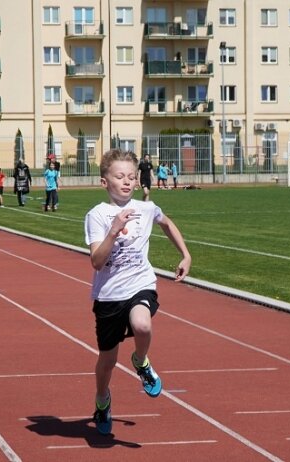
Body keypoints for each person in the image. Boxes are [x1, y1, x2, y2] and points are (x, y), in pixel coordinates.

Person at [84, 149, 192, 435]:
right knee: (106, 361)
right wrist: (114, 231)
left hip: (140, 284)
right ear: (104, 182)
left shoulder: (146, 208)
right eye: (120, 176)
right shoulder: (97, 215)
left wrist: (185, 254)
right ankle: (102, 399)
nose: (128, 181)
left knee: (143, 324)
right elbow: (97, 261)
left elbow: (166, 223)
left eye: (131, 176)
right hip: (108, 296)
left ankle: (140, 361)